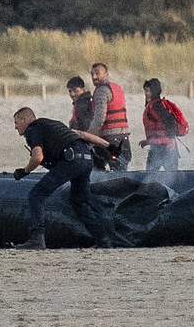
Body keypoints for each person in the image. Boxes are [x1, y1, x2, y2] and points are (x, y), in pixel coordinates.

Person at [11, 107, 111, 249]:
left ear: (24, 119)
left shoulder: (33, 129)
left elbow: (38, 156)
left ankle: (37, 239)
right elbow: (83, 134)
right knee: (79, 201)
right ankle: (103, 240)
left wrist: (24, 171)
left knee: (36, 194)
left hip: (72, 160)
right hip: (87, 159)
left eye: (16, 122)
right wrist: (111, 147)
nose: (15, 127)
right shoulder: (53, 124)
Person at [87, 63, 131, 171]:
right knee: (121, 171)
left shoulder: (101, 91)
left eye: (97, 73)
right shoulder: (117, 88)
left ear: (106, 74)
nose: (94, 77)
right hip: (124, 137)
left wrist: (88, 138)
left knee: (99, 170)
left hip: (110, 139)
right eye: (92, 74)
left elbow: (99, 119)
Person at [138, 78, 185, 171]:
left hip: (166, 148)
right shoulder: (153, 105)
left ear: (155, 91)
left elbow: (170, 122)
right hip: (158, 147)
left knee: (151, 176)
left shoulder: (157, 106)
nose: (146, 94)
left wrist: (171, 140)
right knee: (151, 176)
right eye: (145, 91)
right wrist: (148, 141)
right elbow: (158, 129)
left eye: (149, 91)